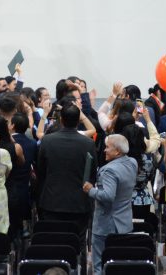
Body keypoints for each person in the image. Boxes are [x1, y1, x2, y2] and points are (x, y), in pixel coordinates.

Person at [35, 103, 97, 234]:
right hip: (79, 202)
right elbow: (92, 173)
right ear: (78, 121)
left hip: (51, 200)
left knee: (53, 239)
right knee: (77, 240)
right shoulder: (88, 143)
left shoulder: (47, 141)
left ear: (61, 120)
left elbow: (41, 170)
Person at [85, 134, 137, 275]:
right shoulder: (132, 162)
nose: (104, 150)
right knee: (119, 265)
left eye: (107, 147)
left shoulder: (108, 170)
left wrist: (91, 190)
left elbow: (108, 196)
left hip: (106, 226)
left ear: (118, 151)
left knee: (99, 266)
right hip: (125, 223)